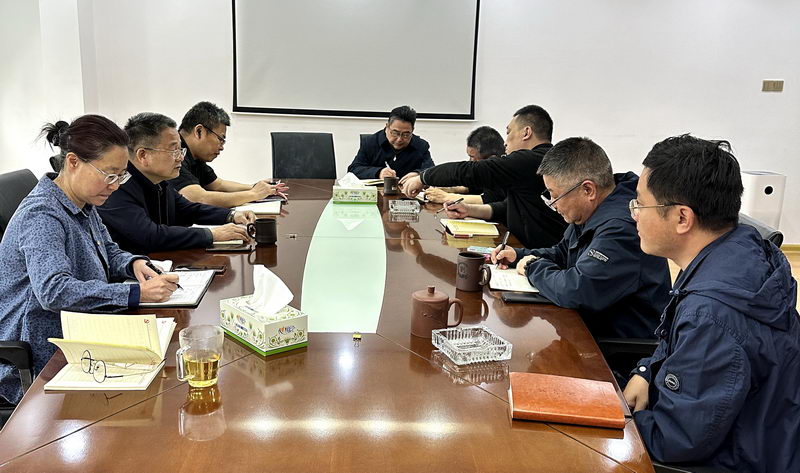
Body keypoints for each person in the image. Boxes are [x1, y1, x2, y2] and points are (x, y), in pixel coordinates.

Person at [622, 135, 800, 472]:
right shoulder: (736, 252)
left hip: (737, 458)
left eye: (640, 205)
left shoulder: (712, 313)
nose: (634, 216)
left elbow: (674, 439)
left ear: (682, 218)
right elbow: (676, 345)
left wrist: (614, 419)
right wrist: (647, 370)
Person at [0, 115, 178, 404]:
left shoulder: (82, 201)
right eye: (110, 175)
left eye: (121, 176)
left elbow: (108, 249)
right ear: (73, 162)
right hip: (43, 354)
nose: (115, 185)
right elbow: (54, 291)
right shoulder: (42, 215)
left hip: (80, 331)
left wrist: (133, 264)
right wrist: (135, 293)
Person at [491, 137, 671, 339]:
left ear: (588, 190)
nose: (553, 204)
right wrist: (519, 255)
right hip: (589, 326)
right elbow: (562, 252)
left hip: (617, 346)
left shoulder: (621, 229)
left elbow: (577, 290)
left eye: (555, 196)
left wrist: (533, 267)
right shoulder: (591, 212)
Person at [402, 105, 567, 249]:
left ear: (526, 132)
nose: (505, 142)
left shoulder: (530, 160)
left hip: (542, 255)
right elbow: (508, 207)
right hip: (523, 249)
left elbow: (470, 171)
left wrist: (423, 178)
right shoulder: (542, 159)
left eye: (509, 132)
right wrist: (469, 210)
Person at [98, 112, 255, 255]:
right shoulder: (117, 187)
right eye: (174, 151)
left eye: (181, 150)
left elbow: (188, 209)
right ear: (143, 155)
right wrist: (211, 234)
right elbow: (150, 236)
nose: (181, 157)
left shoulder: (159, 182)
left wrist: (230, 215)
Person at [170, 101, 288, 207]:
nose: (222, 147)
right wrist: (254, 194)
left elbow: (218, 185)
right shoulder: (174, 154)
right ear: (199, 131)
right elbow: (199, 198)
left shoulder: (194, 156)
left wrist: (256, 187)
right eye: (220, 139)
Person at [346, 105, 434, 180]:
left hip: (408, 192)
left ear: (412, 130)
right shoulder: (370, 142)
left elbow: (432, 171)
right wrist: (378, 172)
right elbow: (354, 169)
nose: (399, 139)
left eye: (406, 135)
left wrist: (418, 175)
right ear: (387, 127)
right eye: (395, 133)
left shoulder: (421, 146)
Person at [425, 125, 507, 205]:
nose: (470, 161)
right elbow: (476, 187)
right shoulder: (489, 170)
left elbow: (491, 199)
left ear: (491, 159)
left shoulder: (503, 171)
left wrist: (446, 197)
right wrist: (449, 189)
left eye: (472, 157)